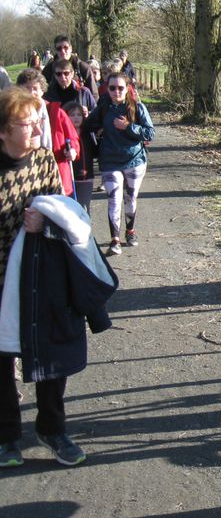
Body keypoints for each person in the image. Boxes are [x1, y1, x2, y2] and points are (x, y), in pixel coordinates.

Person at [0, 87, 83, 467]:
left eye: (38, 121)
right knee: (1, 359)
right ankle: (5, 437)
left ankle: (52, 428)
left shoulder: (45, 159)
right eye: (26, 123)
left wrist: (45, 219)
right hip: (1, 281)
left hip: (41, 273)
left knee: (52, 353)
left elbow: (65, 210)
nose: (36, 128)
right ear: (2, 131)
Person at [83, 72, 154, 255]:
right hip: (110, 161)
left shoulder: (137, 107)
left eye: (120, 87)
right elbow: (88, 124)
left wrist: (128, 127)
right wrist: (99, 129)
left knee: (130, 198)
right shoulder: (104, 106)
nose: (116, 91)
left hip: (135, 160)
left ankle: (130, 231)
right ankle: (115, 239)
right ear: (107, 89)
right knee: (114, 199)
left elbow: (149, 133)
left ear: (127, 88)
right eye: (112, 88)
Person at [16, 68, 79, 198]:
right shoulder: (15, 115)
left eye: (35, 88)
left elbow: (72, 138)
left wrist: (73, 150)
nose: (31, 92)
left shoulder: (56, 112)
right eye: (27, 88)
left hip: (57, 170)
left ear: (42, 91)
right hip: (27, 174)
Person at [61, 101, 95, 212]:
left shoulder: (87, 132)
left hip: (86, 177)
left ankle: (86, 228)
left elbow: (95, 151)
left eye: (79, 115)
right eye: (72, 115)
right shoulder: (62, 134)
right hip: (70, 179)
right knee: (70, 210)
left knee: (84, 208)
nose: (76, 118)